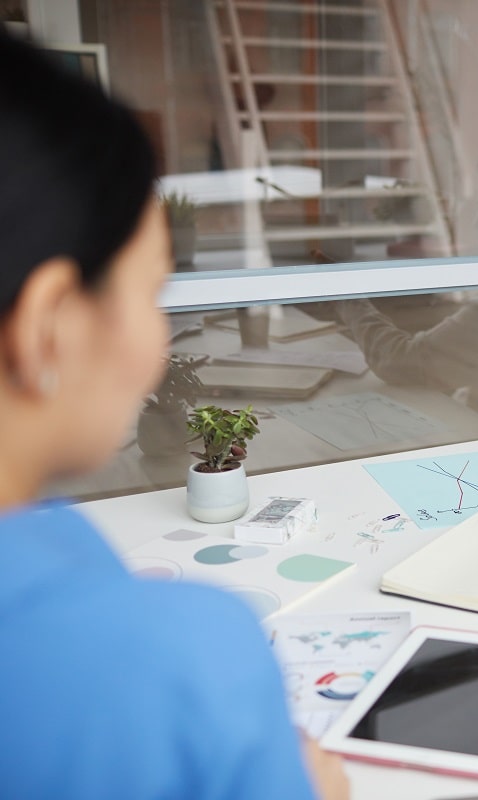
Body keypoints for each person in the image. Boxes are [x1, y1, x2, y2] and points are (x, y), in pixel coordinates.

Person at [0, 31, 348, 799]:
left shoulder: (58, 537)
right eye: (151, 295)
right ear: (49, 324)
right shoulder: (182, 659)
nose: (158, 344)